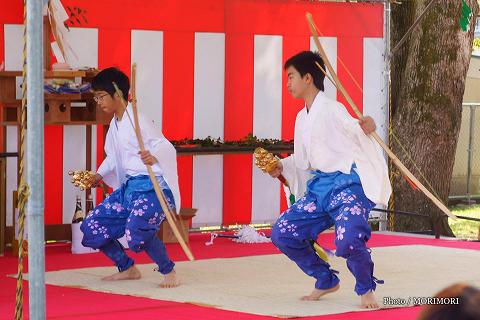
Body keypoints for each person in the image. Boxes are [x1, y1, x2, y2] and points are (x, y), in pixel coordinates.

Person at [269, 51, 392, 308]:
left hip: (348, 186)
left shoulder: (333, 109)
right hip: (321, 189)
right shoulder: (301, 118)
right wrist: (280, 165)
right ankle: (325, 279)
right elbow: (303, 162)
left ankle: (365, 288)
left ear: (308, 78)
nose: (288, 83)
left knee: (347, 239)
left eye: (291, 77)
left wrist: (367, 124)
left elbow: (355, 127)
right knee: (283, 232)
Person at [81, 67, 181, 288]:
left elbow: (165, 146)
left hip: (152, 189)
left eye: (101, 96)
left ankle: (168, 270)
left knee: (137, 227)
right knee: (92, 224)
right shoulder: (115, 126)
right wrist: (98, 174)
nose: (98, 101)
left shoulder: (139, 120)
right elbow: (113, 158)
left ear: (117, 94)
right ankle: (126, 267)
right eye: (96, 97)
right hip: (129, 189)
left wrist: (153, 156)